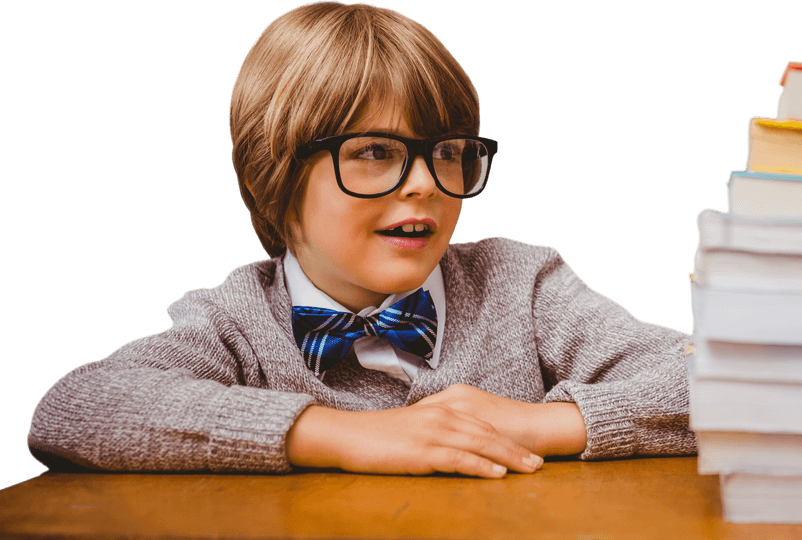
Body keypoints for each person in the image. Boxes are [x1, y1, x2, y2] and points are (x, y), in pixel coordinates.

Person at [27, 1, 694, 479]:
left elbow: (720, 381)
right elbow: (73, 410)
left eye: (448, 152)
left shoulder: (520, 284)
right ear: (276, 176)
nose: (428, 183)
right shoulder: (234, 317)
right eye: (375, 151)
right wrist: (345, 436)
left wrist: (541, 423)